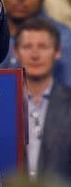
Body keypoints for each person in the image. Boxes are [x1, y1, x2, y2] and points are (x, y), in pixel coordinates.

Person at [13, 17, 71, 183]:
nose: (35, 54)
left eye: (43, 47)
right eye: (27, 47)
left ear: (57, 52)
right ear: (16, 52)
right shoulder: (0, 105)